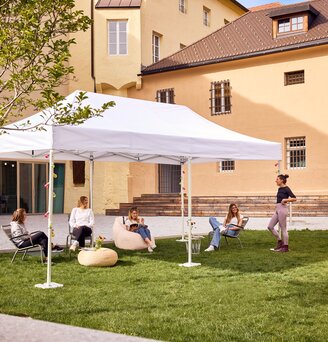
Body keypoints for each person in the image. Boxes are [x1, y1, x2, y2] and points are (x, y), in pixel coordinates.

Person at [268, 174, 296, 252]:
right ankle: (280, 242)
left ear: (282, 180)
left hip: (283, 209)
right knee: (270, 226)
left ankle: (285, 247)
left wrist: (285, 200)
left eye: (277, 179)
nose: (275, 181)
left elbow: (294, 198)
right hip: (278, 209)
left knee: (283, 228)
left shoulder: (287, 188)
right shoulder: (280, 189)